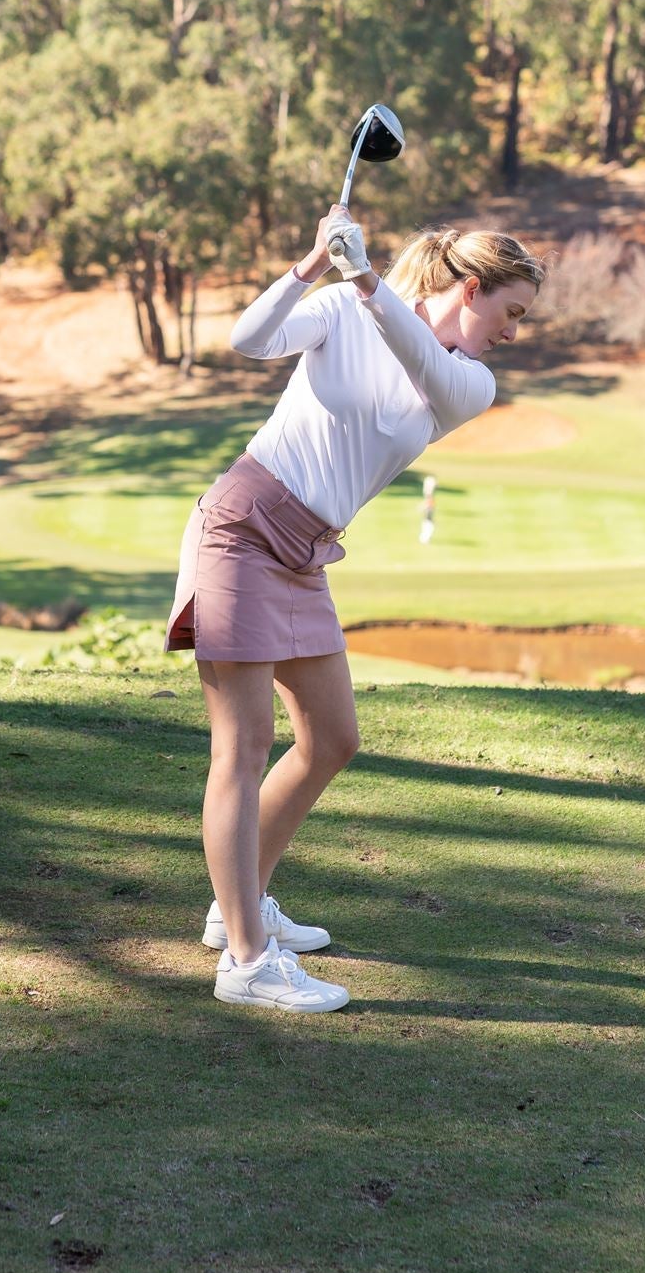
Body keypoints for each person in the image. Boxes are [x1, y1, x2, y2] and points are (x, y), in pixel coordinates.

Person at [165, 205, 544, 1012]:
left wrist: (367, 278)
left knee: (332, 739)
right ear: (470, 289)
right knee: (244, 742)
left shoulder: (468, 381)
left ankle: (235, 902)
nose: (513, 332)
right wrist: (312, 266)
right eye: (510, 312)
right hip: (240, 526)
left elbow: (417, 357)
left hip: (305, 551)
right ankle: (244, 960)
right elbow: (247, 340)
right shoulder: (339, 308)